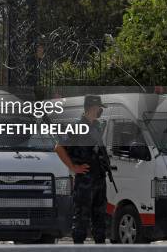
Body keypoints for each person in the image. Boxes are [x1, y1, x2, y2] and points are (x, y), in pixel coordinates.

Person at [54, 95, 107, 244]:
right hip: (85, 181)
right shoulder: (76, 127)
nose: (100, 111)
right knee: (81, 220)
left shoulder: (97, 126)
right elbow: (58, 148)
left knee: (100, 219)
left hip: (99, 179)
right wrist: (73, 167)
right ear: (92, 108)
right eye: (99, 108)